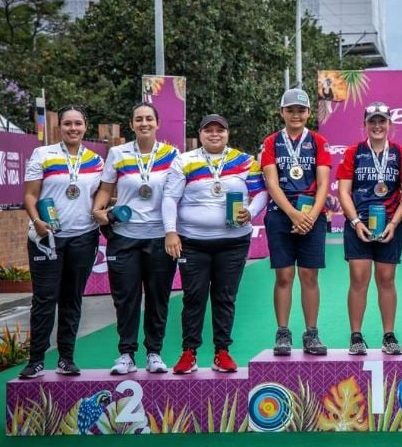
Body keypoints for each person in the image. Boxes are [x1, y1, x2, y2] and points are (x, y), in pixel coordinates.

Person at [163, 114, 267, 374]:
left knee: (225, 297)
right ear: (200, 134)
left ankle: (222, 352)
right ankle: (189, 353)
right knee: (193, 297)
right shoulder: (184, 161)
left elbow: (261, 192)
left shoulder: (244, 162)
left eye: (219, 130)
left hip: (233, 242)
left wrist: (251, 212)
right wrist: (170, 232)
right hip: (193, 242)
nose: (214, 134)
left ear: (227, 134)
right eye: (208, 130)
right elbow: (169, 198)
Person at [92, 102, 179, 374]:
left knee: (158, 297)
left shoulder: (172, 154)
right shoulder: (117, 153)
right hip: (124, 237)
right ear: (131, 124)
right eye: (139, 119)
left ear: (157, 123)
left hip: (158, 238)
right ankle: (126, 354)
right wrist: (98, 210)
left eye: (149, 119)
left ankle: (154, 352)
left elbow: (176, 195)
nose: (144, 123)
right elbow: (106, 190)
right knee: (126, 298)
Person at [19, 105, 104, 378]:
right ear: (60, 127)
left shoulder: (95, 161)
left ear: (85, 126)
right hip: (48, 238)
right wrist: (37, 221)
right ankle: (36, 360)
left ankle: (66, 358)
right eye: (68, 123)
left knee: (72, 299)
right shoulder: (43, 155)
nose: (73, 128)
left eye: (78, 123)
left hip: (84, 237)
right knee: (44, 299)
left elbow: (101, 198)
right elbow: (30, 196)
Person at [337, 102, 402, 355]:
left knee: (386, 279)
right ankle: (355, 336)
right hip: (359, 225)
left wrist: (393, 223)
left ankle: (388, 336)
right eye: (372, 121)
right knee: (359, 279)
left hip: (390, 226)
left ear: (390, 124)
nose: (378, 126)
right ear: (365, 125)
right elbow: (344, 192)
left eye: (382, 121)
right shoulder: (353, 153)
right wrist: (355, 221)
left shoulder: (400, 154)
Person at [261, 89, 332, 355]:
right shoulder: (270, 143)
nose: (295, 115)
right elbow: (271, 182)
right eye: (290, 110)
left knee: (309, 276)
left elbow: (324, 182)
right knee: (284, 275)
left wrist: (311, 216)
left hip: (312, 214)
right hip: (282, 214)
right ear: (281, 112)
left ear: (308, 113)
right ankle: (283, 333)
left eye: (301, 110)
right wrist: (293, 213)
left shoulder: (318, 142)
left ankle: (311, 333)